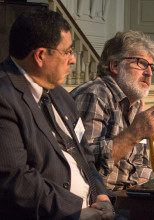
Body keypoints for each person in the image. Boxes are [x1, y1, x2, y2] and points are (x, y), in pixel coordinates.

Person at [0, 10, 115, 219]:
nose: (72, 59)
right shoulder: (4, 97)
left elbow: (85, 156)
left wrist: (101, 196)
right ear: (41, 55)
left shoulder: (61, 96)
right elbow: (15, 179)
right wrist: (76, 212)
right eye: (68, 51)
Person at [71, 30, 154, 191]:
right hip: (101, 200)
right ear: (115, 65)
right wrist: (135, 133)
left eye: (152, 67)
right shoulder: (95, 95)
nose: (148, 73)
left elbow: (140, 165)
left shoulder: (134, 106)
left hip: (129, 196)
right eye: (141, 63)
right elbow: (86, 164)